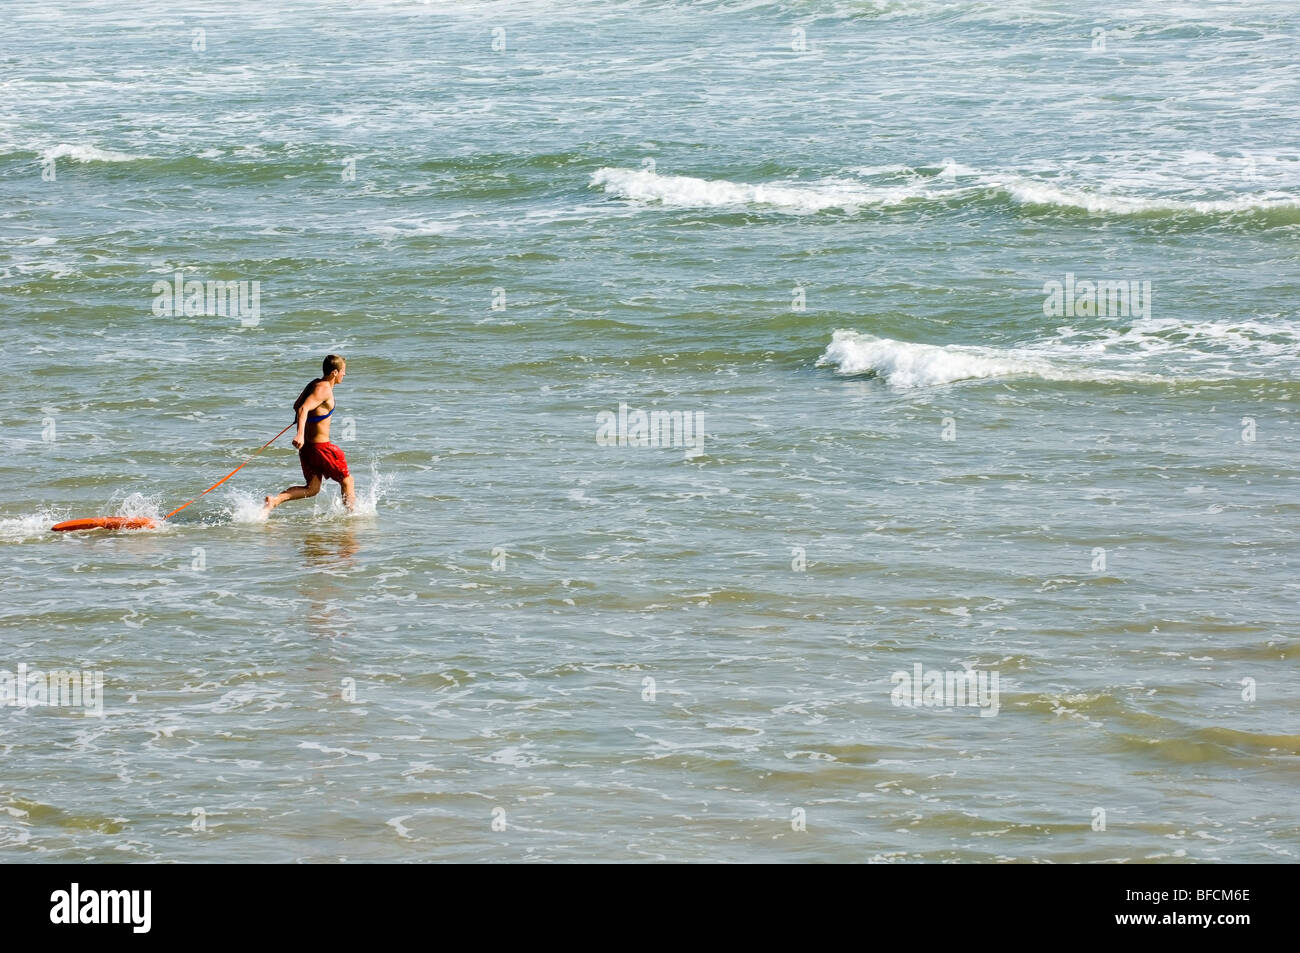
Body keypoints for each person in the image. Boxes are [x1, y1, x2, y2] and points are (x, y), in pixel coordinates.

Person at [264, 355, 355, 514]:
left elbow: (296, 405)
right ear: (334, 372)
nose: (344, 375)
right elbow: (302, 409)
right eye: (343, 371)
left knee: (312, 489)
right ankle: (352, 517)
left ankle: (275, 500)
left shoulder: (314, 384)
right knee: (347, 481)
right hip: (321, 448)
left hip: (308, 449)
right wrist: (299, 434)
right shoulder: (324, 389)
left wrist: (307, 420)